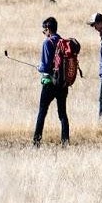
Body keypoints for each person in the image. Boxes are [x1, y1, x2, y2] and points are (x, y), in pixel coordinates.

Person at [33, 17, 70, 145]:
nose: (44, 33)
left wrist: (39, 68)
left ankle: (36, 142)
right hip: (62, 83)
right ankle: (65, 142)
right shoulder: (63, 42)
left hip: (49, 82)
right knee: (62, 114)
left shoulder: (47, 43)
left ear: (48, 29)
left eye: (44, 31)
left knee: (42, 112)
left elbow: (45, 66)